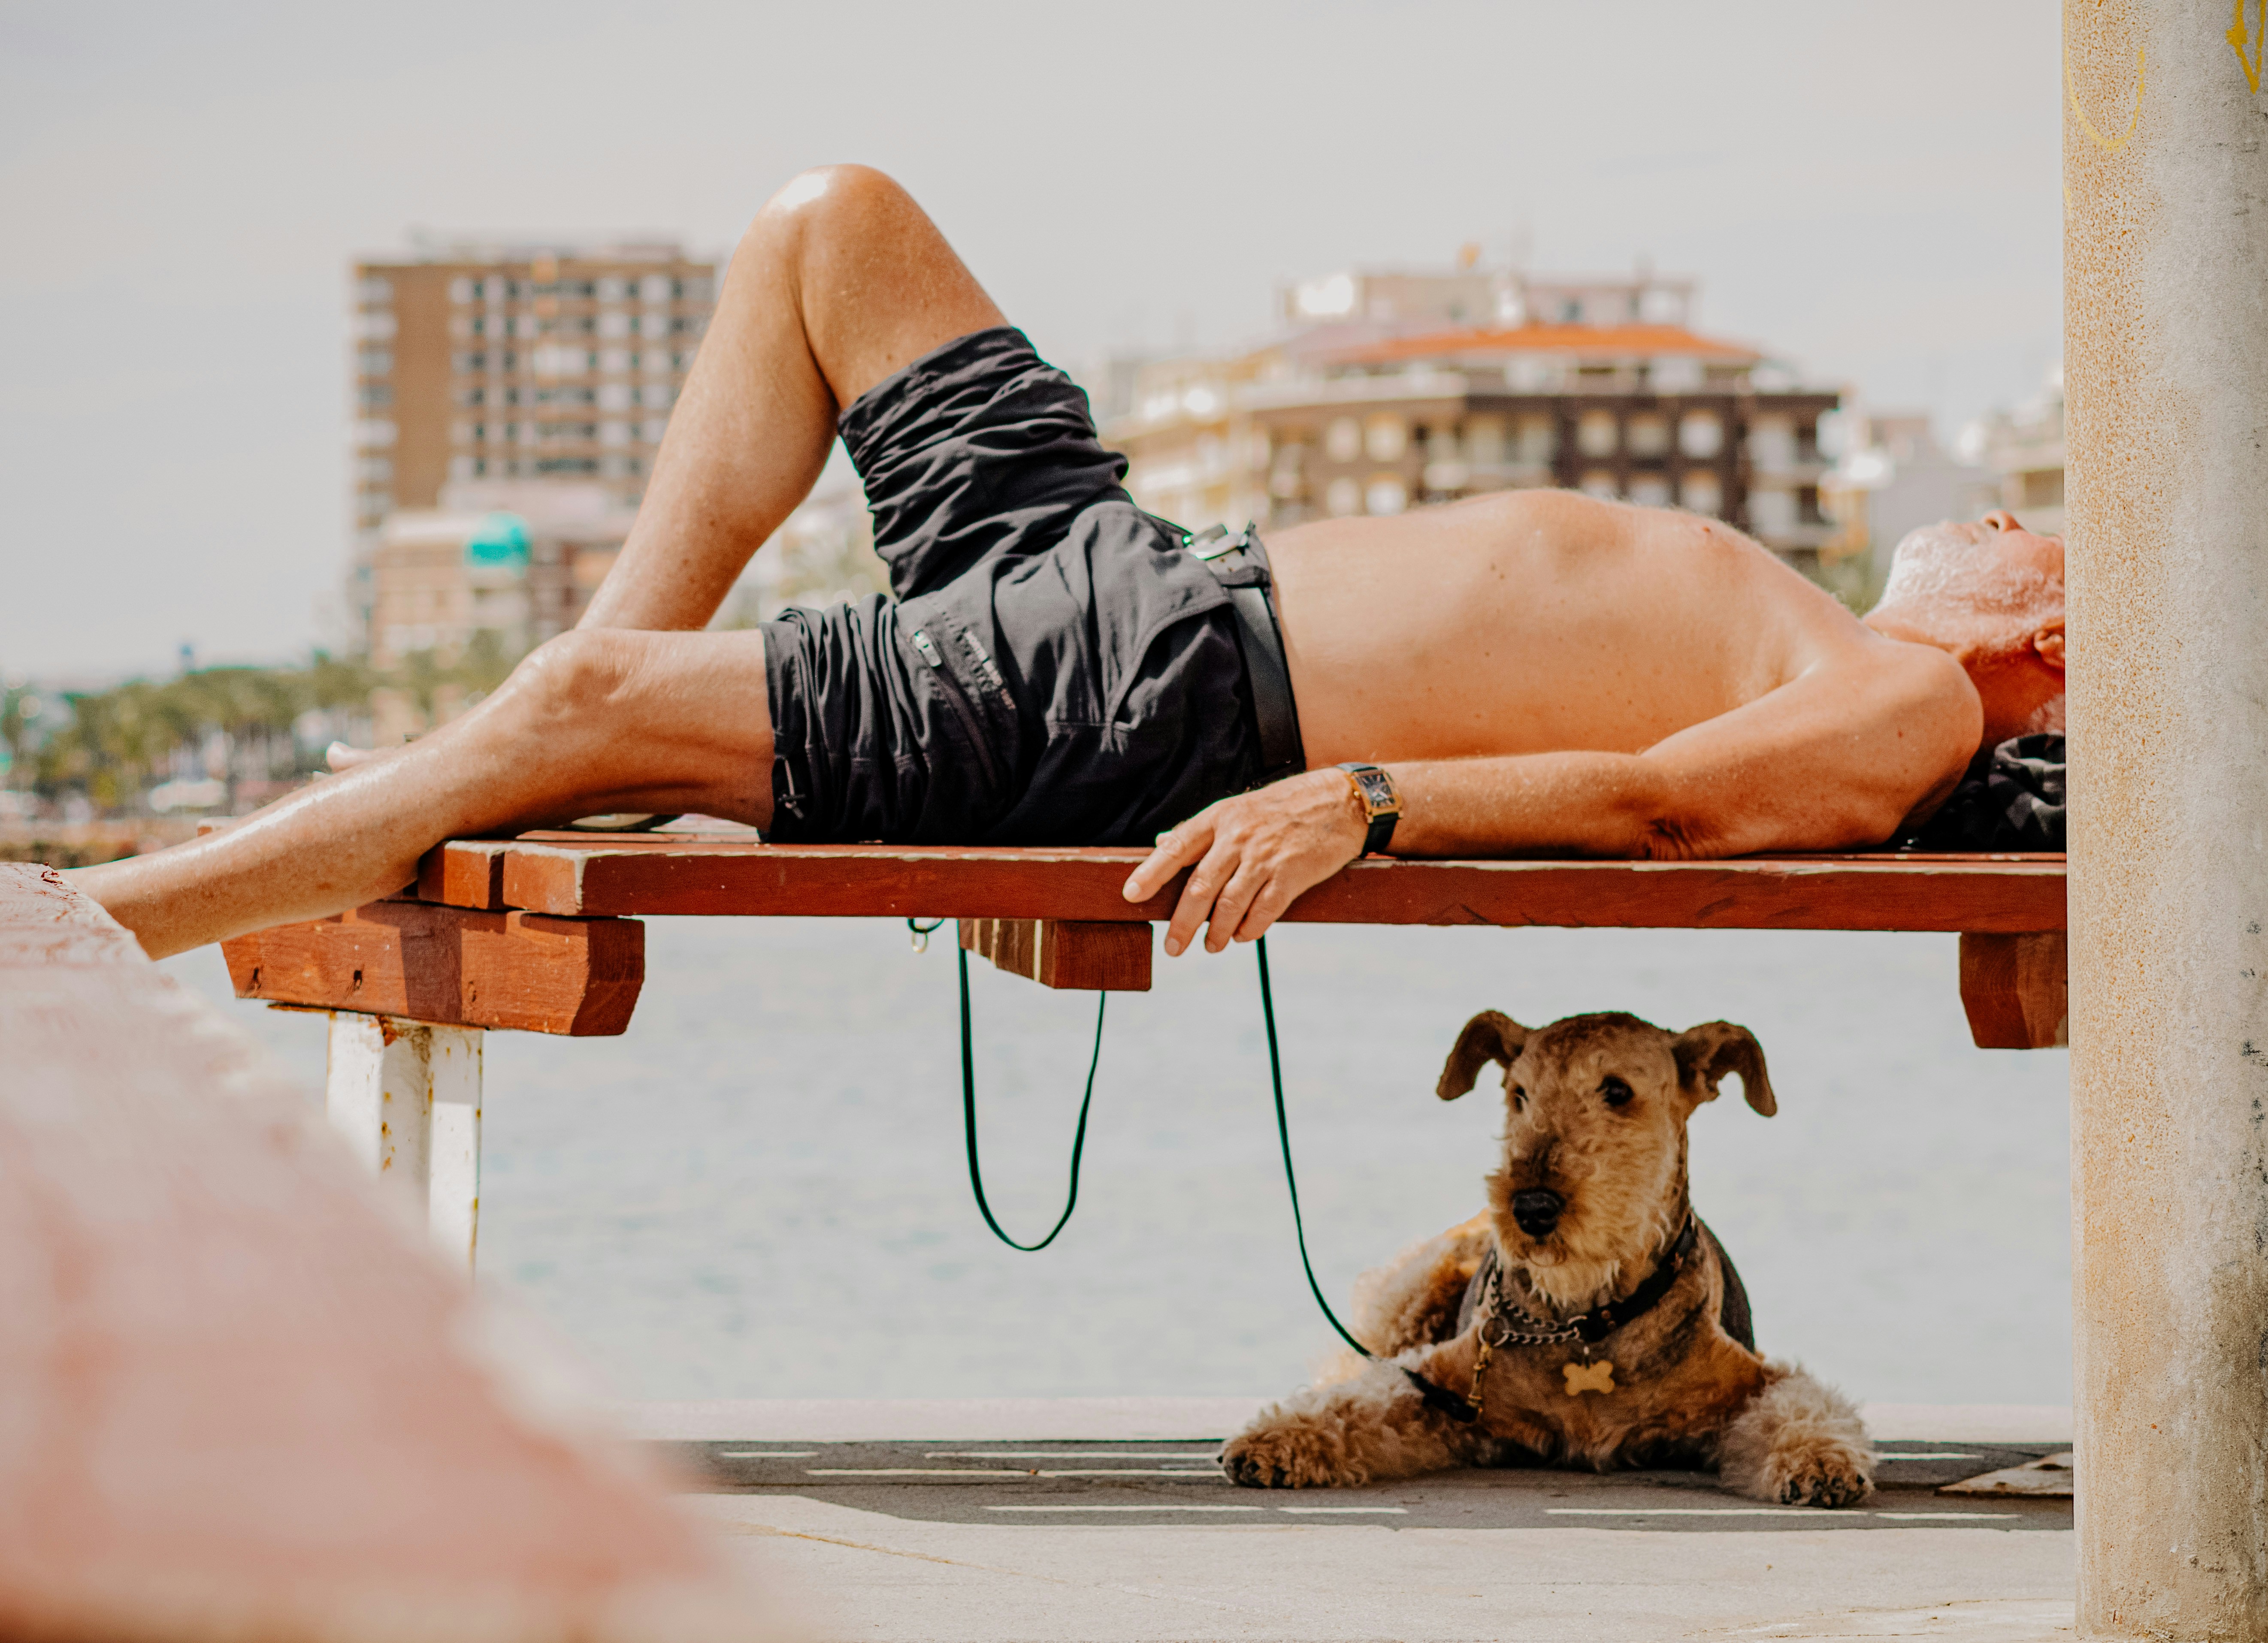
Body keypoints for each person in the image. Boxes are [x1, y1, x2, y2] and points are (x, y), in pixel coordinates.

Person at [75, 166, 2065, 963]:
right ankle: (560, 733)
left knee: (581, 706)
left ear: (2040, 642)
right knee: (824, 230)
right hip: (1120, 567)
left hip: (1156, 694)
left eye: (2019, 536)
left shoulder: (1893, 695)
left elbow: (1661, 812)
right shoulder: (1845, 636)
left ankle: (87, 936)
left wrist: (1365, 801)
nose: (1987, 518)